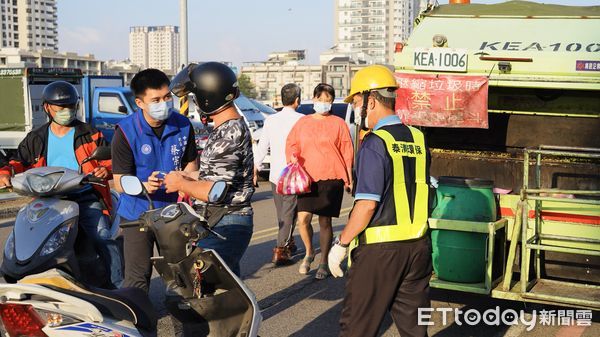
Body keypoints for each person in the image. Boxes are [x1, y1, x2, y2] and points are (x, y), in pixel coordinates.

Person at [328, 65, 433, 337]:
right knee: (414, 329)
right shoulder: (419, 139)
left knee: (358, 329)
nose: (357, 111)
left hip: (380, 252)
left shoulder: (375, 143)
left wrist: (341, 243)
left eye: (358, 103)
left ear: (371, 101)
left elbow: (366, 205)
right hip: (418, 249)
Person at [0, 81, 123, 288]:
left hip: (84, 196)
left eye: (71, 106)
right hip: (48, 199)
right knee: (25, 237)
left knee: (102, 237)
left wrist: (105, 170)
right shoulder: (36, 138)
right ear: (48, 108)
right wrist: (5, 173)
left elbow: (110, 160)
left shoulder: (90, 134)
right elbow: (18, 162)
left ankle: (119, 288)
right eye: (61, 107)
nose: (66, 111)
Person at [164, 62, 255, 277]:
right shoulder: (227, 127)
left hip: (225, 221)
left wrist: (181, 184)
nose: (194, 102)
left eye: (195, 97)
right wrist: (189, 175)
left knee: (204, 290)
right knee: (224, 290)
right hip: (223, 219)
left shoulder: (228, 134)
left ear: (208, 96)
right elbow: (219, 173)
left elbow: (214, 191)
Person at [111, 68, 198, 292]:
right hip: (136, 212)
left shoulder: (183, 125)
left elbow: (191, 164)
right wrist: (143, 186)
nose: (164, 103)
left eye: (167, 96)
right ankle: (138, 324)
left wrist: (183, 178)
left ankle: (186, 326)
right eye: (156, 99)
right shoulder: (125, 131)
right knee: (137, 279)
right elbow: (120, 181)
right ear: (140, 103)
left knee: (181, 276)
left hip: (173, 212)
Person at [285, 83, 354, 279]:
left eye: (328, 101)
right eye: (321, 100)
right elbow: (292, 144)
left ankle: (323, 261)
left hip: (332, 177)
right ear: (314, 99)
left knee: (325, 221)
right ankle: (309, 252)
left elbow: (347, 152)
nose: (324, 104)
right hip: (306, 177)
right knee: (303, 219)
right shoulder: (303, 122)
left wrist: (348, 178)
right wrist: (292, 156)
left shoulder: (338, 123)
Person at [253, 83, 303, 265]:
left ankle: (289, 242)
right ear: (297, 100)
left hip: (275, 175)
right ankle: (280, 249)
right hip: (293, 175)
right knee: (289, 213)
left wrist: (255, 167)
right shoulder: (302, 119)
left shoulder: (271, 120)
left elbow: (262, 146)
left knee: (282, 213)